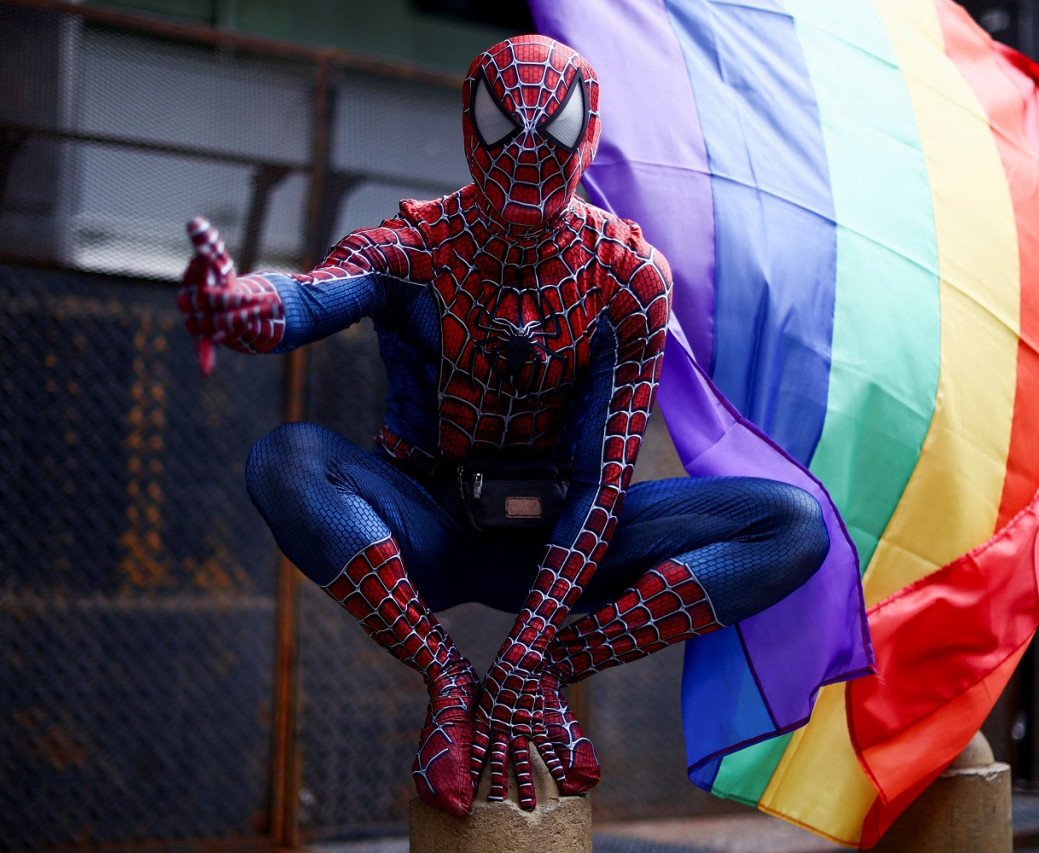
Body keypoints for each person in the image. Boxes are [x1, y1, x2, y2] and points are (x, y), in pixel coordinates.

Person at [178, 35, 829, 818]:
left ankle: (552, 665)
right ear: (471, 126)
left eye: (549, 132)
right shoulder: (419, 248)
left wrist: (530, 659)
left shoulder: (625, 277)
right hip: (432, 527)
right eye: (505, 126)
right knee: (286, 459)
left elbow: (600, 483)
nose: (527, 153)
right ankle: (447, 673)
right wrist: (243, 305)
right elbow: (318, 294)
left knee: (790, 524)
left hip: (563, 538)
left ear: (584, 135)